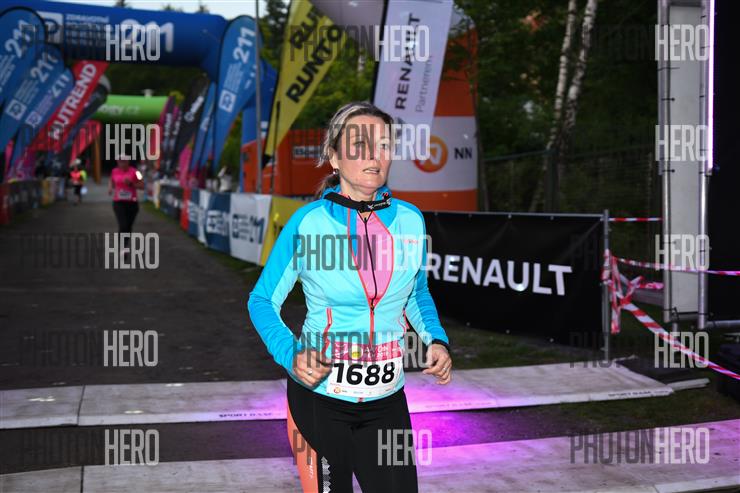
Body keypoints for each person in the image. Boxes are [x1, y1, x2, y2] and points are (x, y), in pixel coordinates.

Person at [248, 101, 452, 493]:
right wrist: (290, 353)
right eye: (360, 145)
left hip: (387, 401)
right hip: (318, 398)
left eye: (384, 145)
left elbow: (417, 292)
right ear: (334, 157)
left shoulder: (411, 220)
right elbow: (261, 301)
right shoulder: (308, 223)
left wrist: (436, 340)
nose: (375, 155)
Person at [109, 157, 144, 248]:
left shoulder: (136, 172)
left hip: (132, 203)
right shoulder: (114, 171)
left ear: (128, 162)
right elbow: (111, 180)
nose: (122, 163)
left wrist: (132, 183)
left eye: (124, 161)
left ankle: (125, 243)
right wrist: (110, 188)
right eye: (120, 161)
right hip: (118, 203)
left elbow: (142, 185)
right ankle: (123, 246)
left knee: (128, 226)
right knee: (123, 225)